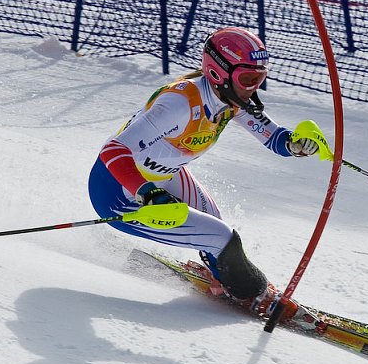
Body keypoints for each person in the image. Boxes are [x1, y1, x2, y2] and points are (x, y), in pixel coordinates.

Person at [88, 27, 319, 321]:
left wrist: (296, 144)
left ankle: (222, 280)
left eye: (260, 78)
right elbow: (112, 150)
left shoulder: (231, 99)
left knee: (217, 228)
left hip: (163, 176)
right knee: (222, 238)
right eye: (248, 79)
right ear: (219, 72)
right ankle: (255, 294)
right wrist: (147, 192)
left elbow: (273, 138)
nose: (253, 87)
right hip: (118, 192)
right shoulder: (180, 103)